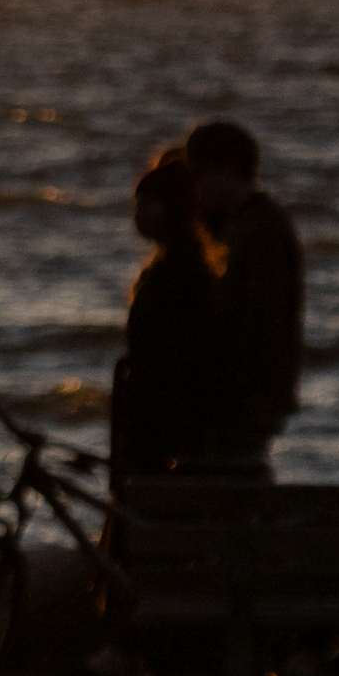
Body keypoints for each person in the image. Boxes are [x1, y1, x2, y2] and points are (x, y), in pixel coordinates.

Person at [108, 158, 245, 490]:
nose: (137, 214)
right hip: (155, 420)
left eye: (146, 204)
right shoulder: (173, 264)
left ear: (171, 208)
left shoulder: (181, 270)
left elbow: (181, 355)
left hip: (161, 425)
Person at [186, 120, 308, 476]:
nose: (195, 186)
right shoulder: (238, 224)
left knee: (233, 487)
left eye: (200, 173)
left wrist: (234, 395)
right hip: (240, 399)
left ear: (228, 168)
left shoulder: (262, 228)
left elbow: (261, 325)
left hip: (245, 402)